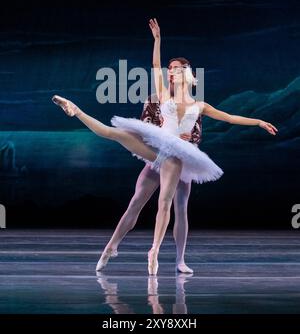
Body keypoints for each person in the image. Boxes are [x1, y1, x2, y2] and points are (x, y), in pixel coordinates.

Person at [52, 18, 278, 275]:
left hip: (183, 156)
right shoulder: (164, 95)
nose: (171, 71)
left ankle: (174, 258)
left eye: (177, 68)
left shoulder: (200, 105)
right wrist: (157, 40)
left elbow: (231, 117)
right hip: (160, 149)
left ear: (187, 73)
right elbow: (156, 65)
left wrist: (259, 121)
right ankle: (75, 110)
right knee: (131, 183)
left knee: (177, 207)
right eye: (171, 68)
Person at [95, 92, 202, 274]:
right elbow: (145, 127)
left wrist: (189, 137)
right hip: (159, 156)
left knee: (181, 207)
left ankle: (180, 260)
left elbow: (196, 134)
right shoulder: (155, 99)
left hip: (181, 159)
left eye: (181, 70)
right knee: (136, 202)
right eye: (173, 70)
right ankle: (110, 247)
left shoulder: (193, 104)